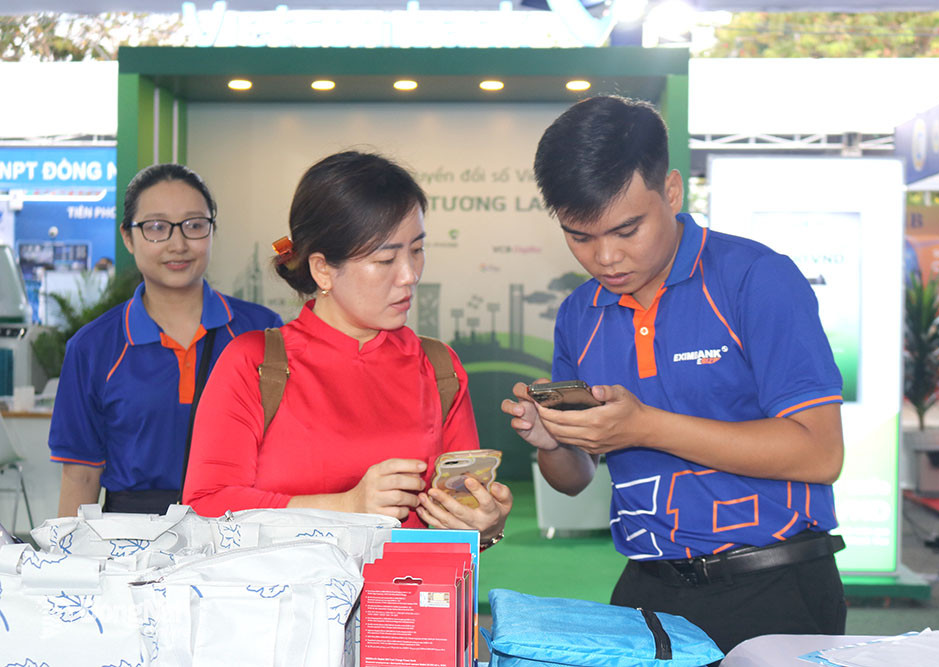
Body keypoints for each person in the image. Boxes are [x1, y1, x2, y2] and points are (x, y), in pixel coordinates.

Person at [501, 96, 847, 653]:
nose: (605, 257)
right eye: (579, 236)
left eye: (626, 229)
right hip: (648, 591)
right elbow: (575, 478)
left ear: (672, 192)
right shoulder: (579, 313)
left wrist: (644, 427)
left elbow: (820, 454)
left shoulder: (756, 279)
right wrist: (553, 442)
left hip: (775, 586)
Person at [182, 151, 511, 547]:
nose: (409, 275)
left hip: (412, 603)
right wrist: (345, 506)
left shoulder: (439, 367)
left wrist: (484, 525)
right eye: (385, 258)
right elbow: (206, 508)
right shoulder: (253, 363)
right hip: (287, 603)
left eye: (417, 250)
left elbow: (458, 523)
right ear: (322, 269)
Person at [49, 163, 282, 516]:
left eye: (194, 226)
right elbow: (81, 475)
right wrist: (64, 563)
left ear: (212, 231)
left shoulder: (261, 331)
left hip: (239, 532)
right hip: (129, 541)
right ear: (128, 237)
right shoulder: (93, 347)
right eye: (157, 227)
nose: (178, 244)